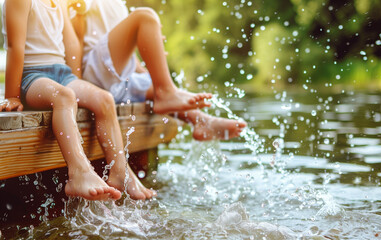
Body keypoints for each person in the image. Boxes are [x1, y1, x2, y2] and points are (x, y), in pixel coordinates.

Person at [1, 0, 155, 200]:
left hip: (63, 75)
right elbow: (15, 46)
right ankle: (78, 173)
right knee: (65, 97)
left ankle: (119, 171)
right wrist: (12, 95)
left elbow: (71, 43)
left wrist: (78, 82)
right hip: (32, 77)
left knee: (104, 98)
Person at [69, 0, 247, 141]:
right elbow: (74, 37)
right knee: (145, 17)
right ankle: (166, 93)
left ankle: (201, 121)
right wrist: (77, 83)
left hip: (113, 78)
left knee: (153, 83)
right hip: (90, 74)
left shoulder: (117, 4)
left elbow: (122, 52)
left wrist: (146, 74)